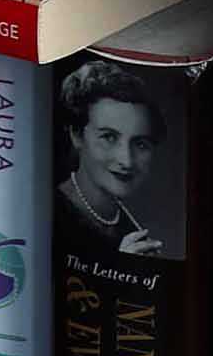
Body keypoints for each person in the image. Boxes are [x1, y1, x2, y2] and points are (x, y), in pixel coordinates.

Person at [62, 83, 173, 254]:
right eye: (109, 137)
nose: (126, 161)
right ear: (77, 135)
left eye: (140, 144)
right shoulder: (49, 213)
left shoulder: (130, 226)